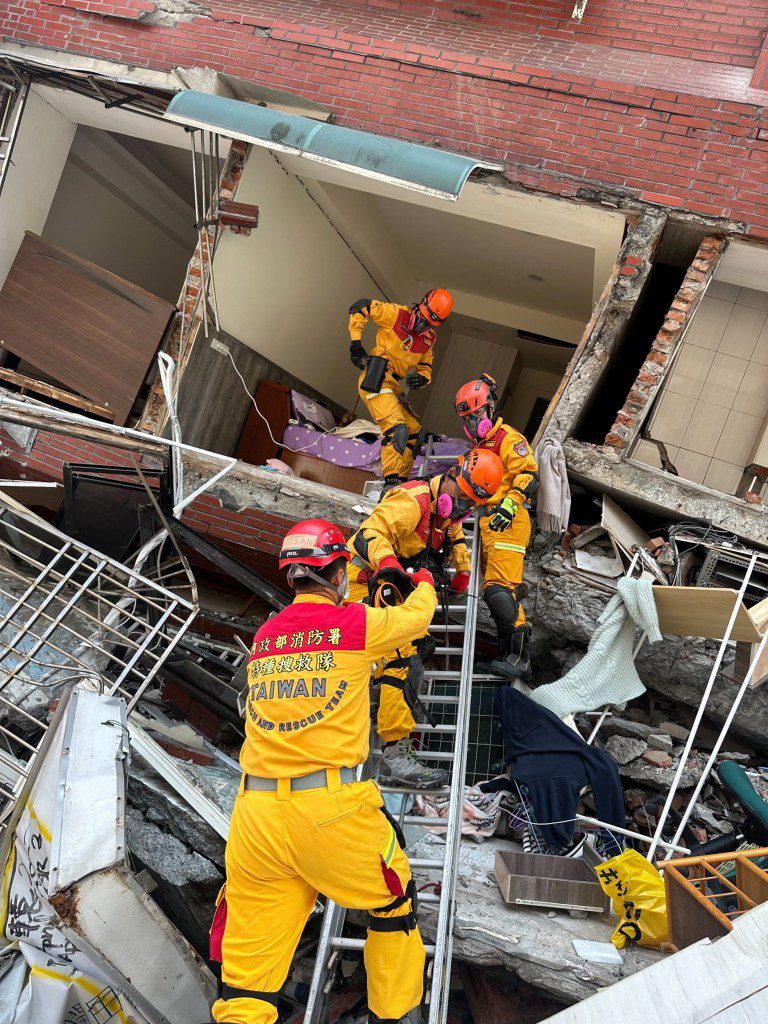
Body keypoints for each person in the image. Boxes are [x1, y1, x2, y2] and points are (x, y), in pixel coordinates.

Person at [212, 519, 437, 1024]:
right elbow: (416, 621)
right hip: (327, 811)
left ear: (293, 577)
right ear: (337, 573)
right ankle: (397, 1014)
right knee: (393, 895)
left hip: (254, 820)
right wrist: (419, 583)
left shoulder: (266, 637)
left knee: (248, 976)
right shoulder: (354, 625)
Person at [347, 449, 504, 788]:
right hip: (366, 580)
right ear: (450, 475)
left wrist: (462, 568)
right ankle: (394, 755)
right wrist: (388, 562)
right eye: (460, 498)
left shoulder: (446, 511)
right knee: (398, 657)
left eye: (469, 505)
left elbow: (453, 533)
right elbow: (369, 532)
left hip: (394, 582)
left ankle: (383, 722)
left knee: (408, 656)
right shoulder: (413, 499)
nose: (460, 509)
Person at [454, 374, 538, 681]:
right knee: (493, 593)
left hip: (509, 520)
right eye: (468, 417)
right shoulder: (478, 447)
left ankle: (521, 659)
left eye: (477, 414)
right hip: (488, 523)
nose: (474, 422)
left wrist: (511, 503)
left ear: (490, 407)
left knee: (500, 591)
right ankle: (507, 656)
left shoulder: (508, 439)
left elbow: (528, 474)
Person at [348, 289, 454, 493]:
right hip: (377, 375)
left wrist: (422, 378)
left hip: (394, 386)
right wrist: (356, 345)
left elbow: (426, 367)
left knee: (414, 432)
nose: (423, 325)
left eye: (429, 323)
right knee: (397, 429)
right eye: (422, 317)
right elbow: (361, 306)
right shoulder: (396, 314)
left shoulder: (429, 339)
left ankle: (400, 483)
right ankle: (390, 481)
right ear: (420, 305)